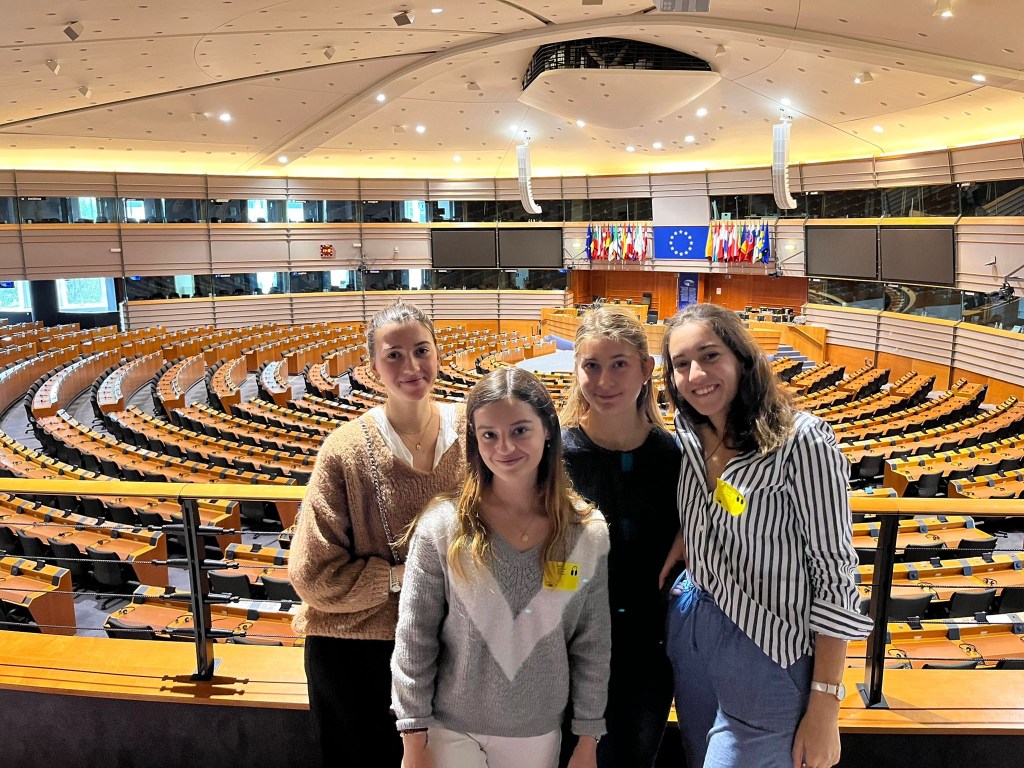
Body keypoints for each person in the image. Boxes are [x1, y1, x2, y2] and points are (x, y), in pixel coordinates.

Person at [657, 303, 871, 768]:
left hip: (766, 645)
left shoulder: (803, 441)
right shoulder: (687, 432)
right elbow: (717, 505)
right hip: (692, 627)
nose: (696, 375)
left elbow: (835, 574)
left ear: (742, 358)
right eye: (681, 364)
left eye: (710, 356)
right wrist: (688, 532)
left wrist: (826, 702)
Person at [392, 367, 611, 768]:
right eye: (489, 434)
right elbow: (414, 638)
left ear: (548, 430)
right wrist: (413, 734)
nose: (505, 446)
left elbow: (591, 644)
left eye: (520, 430)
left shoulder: (586, 533)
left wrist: (588, 737)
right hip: (448, 728)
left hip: (536, 730)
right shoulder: (442, 526)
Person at [288, 300, 466, 766]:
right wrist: (402, 577)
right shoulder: (344, 450)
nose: (411, 366)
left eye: (421, 350)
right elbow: (312, 576)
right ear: (372, 367)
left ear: (438, 354)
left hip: (449, 648)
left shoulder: (474, 431)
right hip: (354, 654)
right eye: (394, 355)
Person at [558, 306, 680, 768]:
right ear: (576, 369)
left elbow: (735, 507)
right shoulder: (554, 455)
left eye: (619, 364)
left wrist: (698, 529)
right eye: (591, 365)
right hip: (570, 648)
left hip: (650, 651)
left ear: (646, 369)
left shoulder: (675, 456)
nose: (604, 380)